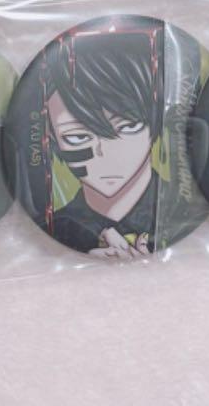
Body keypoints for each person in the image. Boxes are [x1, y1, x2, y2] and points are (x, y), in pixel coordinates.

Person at [43, 27, 165, 258]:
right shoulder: (57, 227)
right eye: (77, 137)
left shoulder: (182, 213)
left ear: (156, 123)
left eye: (129, 127)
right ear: (53, 138)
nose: (105, 154)